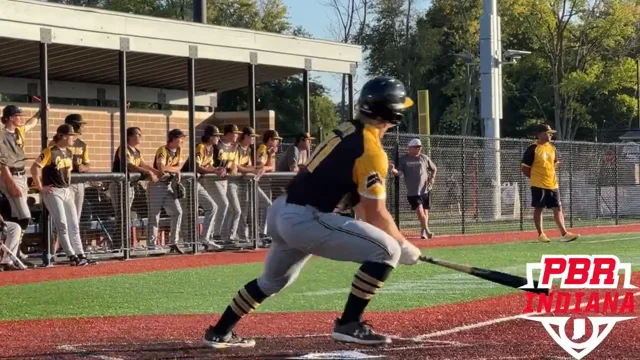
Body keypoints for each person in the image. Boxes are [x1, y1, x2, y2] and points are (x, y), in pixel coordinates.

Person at [202, 76, 422, 348]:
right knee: (387, 250)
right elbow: (374, 213)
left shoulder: (348, 129)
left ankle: (220, 331)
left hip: (283, 210)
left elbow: (363, 207)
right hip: (308, 217)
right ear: (393, 114)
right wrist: (402, 244)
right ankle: (349, 323)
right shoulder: (371, 148)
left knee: (271, 282)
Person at [30, 124, 96, 266]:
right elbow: (34, 168)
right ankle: (71, 255)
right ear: (63, 136)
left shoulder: (68, 152)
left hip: (67, 190)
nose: (74, 138)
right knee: (62, 224)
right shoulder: (50, 151)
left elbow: (69, 173)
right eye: (71, 135)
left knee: (73, 223)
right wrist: (40, 187)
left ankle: (80, 254)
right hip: (54, 191)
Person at [0, 104, 45, 267]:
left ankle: (14, 254)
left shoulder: (18, 131)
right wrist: (11, 184)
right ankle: (10, 256)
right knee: (25, 217)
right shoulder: (2, 134)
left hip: (21, 175)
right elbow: (2, 164)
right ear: (10, 118)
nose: (21, 117)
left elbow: (31, 123)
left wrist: (40, 113)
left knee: (17, 218)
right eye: (18, 115)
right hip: (10, 176)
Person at [521, 124, 580, 243]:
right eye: (549, 133)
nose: (551, 135)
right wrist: (536, 178)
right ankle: (541, 234)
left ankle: (564, 234)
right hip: (538, 184)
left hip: (552, 184)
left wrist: (550, 174)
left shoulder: (552, 148)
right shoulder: (532, 148)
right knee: (539, 208)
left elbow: (555, 163)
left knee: (558, 208)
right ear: (540, 134)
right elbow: (525, 168)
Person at [109, 127, 161, 249]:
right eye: (138, 134)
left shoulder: (136, 151)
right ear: (130, 136)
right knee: (122, 213)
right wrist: (148, 173)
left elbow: (143, 164)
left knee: (125, 213)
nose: (140, 137)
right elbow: (129, 165)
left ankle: (123, 244)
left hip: (130, 185)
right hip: (119, 185)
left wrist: (156, 171)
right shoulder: (123, 148)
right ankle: (118, 245)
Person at [180, 125, 224, 251]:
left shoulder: (210, 148)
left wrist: (216, 169)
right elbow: (197, 166)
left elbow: (208, 165)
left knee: (212, 206)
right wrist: (214, 171)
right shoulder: (200, 146)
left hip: (195, 182)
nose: (218, 138)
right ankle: (188, 241)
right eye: (216, 136)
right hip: (186, 180)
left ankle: (205, 238)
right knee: (189, 210)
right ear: (210, 137)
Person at [390, 138, 437, 239]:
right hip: (413, 192)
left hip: (425, 189)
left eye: (419, 147)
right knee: (419, 210)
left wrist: (432, 179)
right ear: (409, 148)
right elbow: (399, 173)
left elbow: (434, 169)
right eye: (416, 147)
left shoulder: (424, 158)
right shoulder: (403, 160)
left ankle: (423, 231)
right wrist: (393, 170)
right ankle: (427, 230)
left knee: (425, 211)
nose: (418, 149)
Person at [147, 129, 185, 253]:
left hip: (168, 185)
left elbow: (179, 166)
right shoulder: (162, 149)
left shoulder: (179, 150)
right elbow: (161, 168)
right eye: (180, 138)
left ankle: (173, 241)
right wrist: (175, 170)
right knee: (154, 215)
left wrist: (175, 170)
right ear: (173, 138)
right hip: (156, 185)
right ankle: (152, 246)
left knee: (177, 211)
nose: (182, 140)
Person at [225, 126, 261, 243]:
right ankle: (230, 236)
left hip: (243, 182)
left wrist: (258, 168)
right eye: (252, 137)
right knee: (235, 209)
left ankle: (242, 235)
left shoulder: (249, 149)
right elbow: (236, 166)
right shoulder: (236, 147)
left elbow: (247, 165)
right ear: (245, 136)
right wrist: (251, 170)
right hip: (232, 181)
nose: (253, 139)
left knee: (244, 209)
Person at [215, 124, 241, 242]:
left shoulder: (234, 147)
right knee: (220, 206)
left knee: (228, 208)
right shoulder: (217, 145)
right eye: (235, 133)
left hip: (225, 181)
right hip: (212, 180)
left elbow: (234, 164)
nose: (237, 135)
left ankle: (223, 236)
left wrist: (232, 166)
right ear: (229, 133)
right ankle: (216, 235)